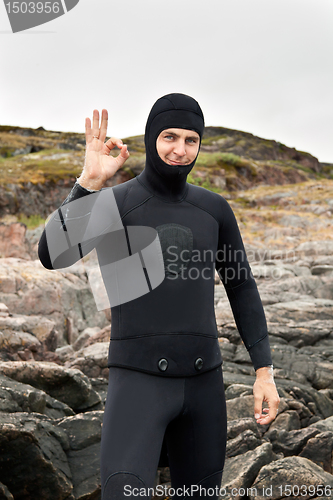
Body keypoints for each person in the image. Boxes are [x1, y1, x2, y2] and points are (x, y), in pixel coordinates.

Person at [38, 93, 280, 500]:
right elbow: (52, 255)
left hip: (205, 387)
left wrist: (264, 372)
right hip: (137, 385)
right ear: (152, 138)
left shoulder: (213, 209)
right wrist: (89, 182)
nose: (179, 149)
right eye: (169, 137)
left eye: (191, 140)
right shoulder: (117, 202)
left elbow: (241, 286)